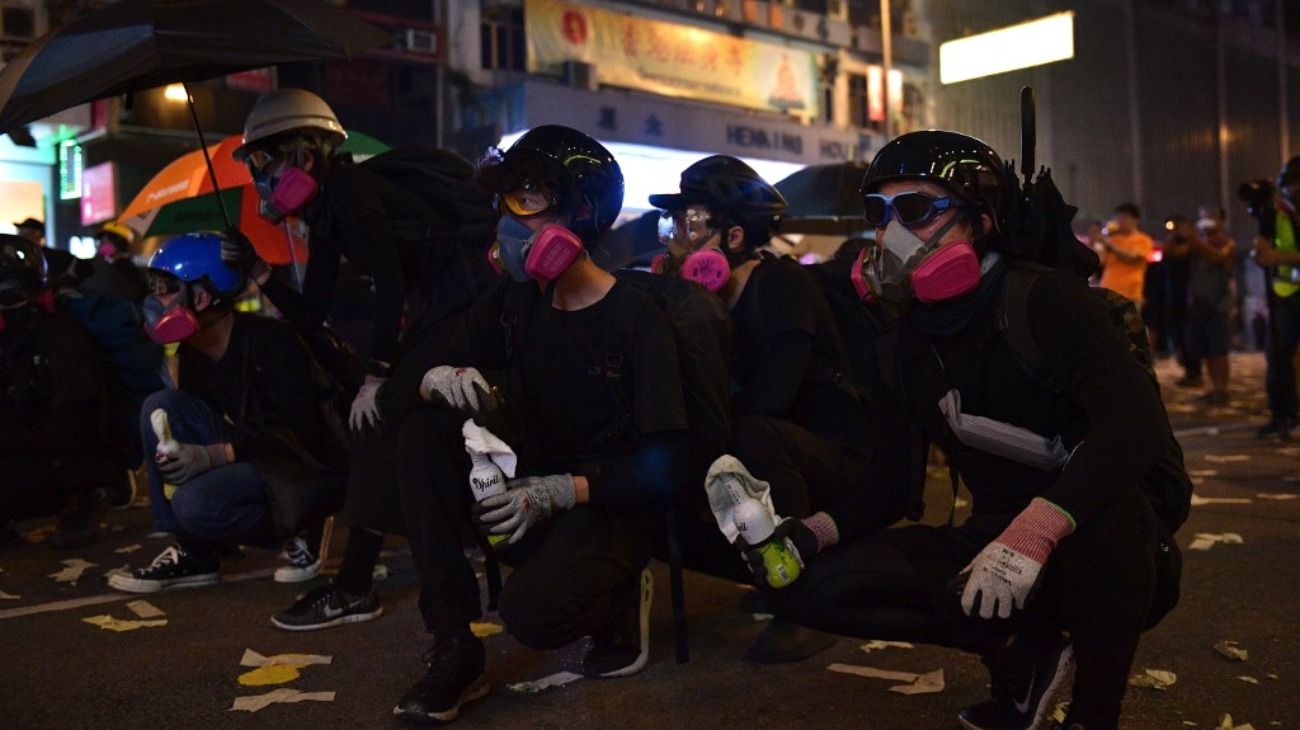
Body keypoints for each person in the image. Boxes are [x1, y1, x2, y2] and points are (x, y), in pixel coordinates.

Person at [756, 131, 1180, 730]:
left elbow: (1137, 427)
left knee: (1114, 516)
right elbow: (889, 487)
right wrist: (812, 534)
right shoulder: (900, 347)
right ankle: (1021, 659)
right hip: (989, 540)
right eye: (879, 212)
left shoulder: (1045, 303)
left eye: (916, 209)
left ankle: (1093, 714)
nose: (889, 233)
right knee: (811, 588)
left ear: (980, 223)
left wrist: (1035, 531)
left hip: (1105, 549)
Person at [392, 126, 687, 724]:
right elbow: (407, 377)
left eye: (526, 200)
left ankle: (620, 601)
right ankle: (454, 647)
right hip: (528, 491)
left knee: (534, 619)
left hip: (608, 505)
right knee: (422, 436)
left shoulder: (637, 321)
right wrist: (434, 378)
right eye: (503, 201)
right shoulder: (512, 306)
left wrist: (566, 492)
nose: (506, 220)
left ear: (581, 212)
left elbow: (670, 464)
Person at [109, 232, 347, 593]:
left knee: (195, 503)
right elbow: (197, 420)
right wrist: (178, 451)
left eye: (166, 288)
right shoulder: (191, 351)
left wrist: (217, 455)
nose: (156, 300)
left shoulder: (271, 342)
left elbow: (305, 435)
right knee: (159, 408)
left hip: (304, 460)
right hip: (256, 452)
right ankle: (194, 552)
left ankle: (304, 521)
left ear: (202, 296)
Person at [0, 234, 125, 548]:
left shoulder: (60, 338)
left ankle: (87, 497)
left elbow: (73, 427)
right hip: (27, 449)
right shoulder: (12, 339)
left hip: (66, 459)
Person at [1253, 156, 1300, 441]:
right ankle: (1283, 414)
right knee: (1278, 358)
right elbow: (1263, 251)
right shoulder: (1277, 214)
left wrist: (1281, 257)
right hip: (1285, 295)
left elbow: (1278, 254)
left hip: (1286, 295)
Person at [1184, 206, 1236, 405]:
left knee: (1219, 350)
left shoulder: (1227, 243)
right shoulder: (1197, 244)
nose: (1205, 221)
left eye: (1210, 217)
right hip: (1199, 305)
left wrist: (1199, 243)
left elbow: (1220, 257)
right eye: (1202, 217)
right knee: (1206, 350)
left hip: (1218, 305)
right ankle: (1213, 388)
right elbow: (1175, 253)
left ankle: (1222, 389)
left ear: (1221, 221)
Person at [1161, 215, 1197, 385]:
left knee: (1190, 336)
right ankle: (1188, 369)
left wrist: (1188, 236)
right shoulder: (1171, 243)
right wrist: (1173, 235)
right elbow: (1167, 253)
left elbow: (1185, 252)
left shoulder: (1194, 245)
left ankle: (1194, 371)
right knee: (1178, 335)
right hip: (1173, 296)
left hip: (1189, 297)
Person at [78, 221, 148, 305]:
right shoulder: (114, 265)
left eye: (104, 242)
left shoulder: (125, 269)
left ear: (118, 242)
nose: (100, 246)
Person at [1098, 203, 1154, 308]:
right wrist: (1099, 243)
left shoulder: (1143, 240)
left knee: (1129, 324)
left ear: (1135, 220)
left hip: (1130, 293)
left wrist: (1110, 245)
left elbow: (1131, 258)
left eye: (1124, 217)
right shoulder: (1112, 239)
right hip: (1107, 291)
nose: (1120, 221)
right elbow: (1100, 261)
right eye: (1117, 217)